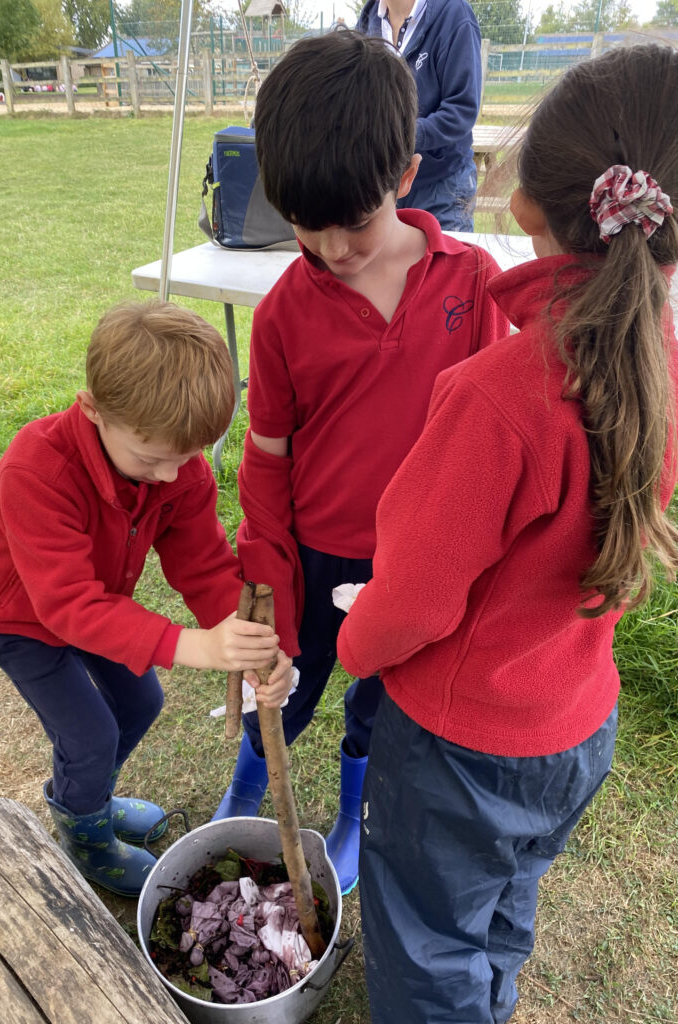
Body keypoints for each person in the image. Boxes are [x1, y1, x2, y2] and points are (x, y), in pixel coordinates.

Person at [336, 43, 678, 1023]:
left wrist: (356, 644)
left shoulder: (496, 399)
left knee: (427, 939)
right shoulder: (659, 366)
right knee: (503, 899)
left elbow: (412, 601)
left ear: (526, 200)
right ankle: (491, 996)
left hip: (458, 753)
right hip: (576, 728)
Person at [211, 29, 510, 896]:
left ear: (407, 178)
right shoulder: (282, 319)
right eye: (309, 229)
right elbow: (266, 455)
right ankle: (247, 784)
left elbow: (488, 438)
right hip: (310, 555)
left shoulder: (471, 281)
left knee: (377, 705)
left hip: (413, 564)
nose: (336, 250)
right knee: (285, 692)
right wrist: (266, 561)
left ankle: (350, 815)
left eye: (357, 224)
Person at [0, 300, 292, 897]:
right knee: (90, 736)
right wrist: (194, 645)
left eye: (185, 457)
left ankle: (90, 798)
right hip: (20, 617)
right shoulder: (37, 468)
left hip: (98, 605)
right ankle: (83, 832)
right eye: (151, 458)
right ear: (93, 410)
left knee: (140, 705)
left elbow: (204, 563)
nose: (169, 475)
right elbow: (65, 606)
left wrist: (251, 646)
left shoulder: (177, 466)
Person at [357, 0, 482, 231]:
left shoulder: (454, 16)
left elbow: (461, 110)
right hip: (385, 183)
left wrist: (399, 137)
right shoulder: (368, 19)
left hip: (441, 183)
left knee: (447, 264)